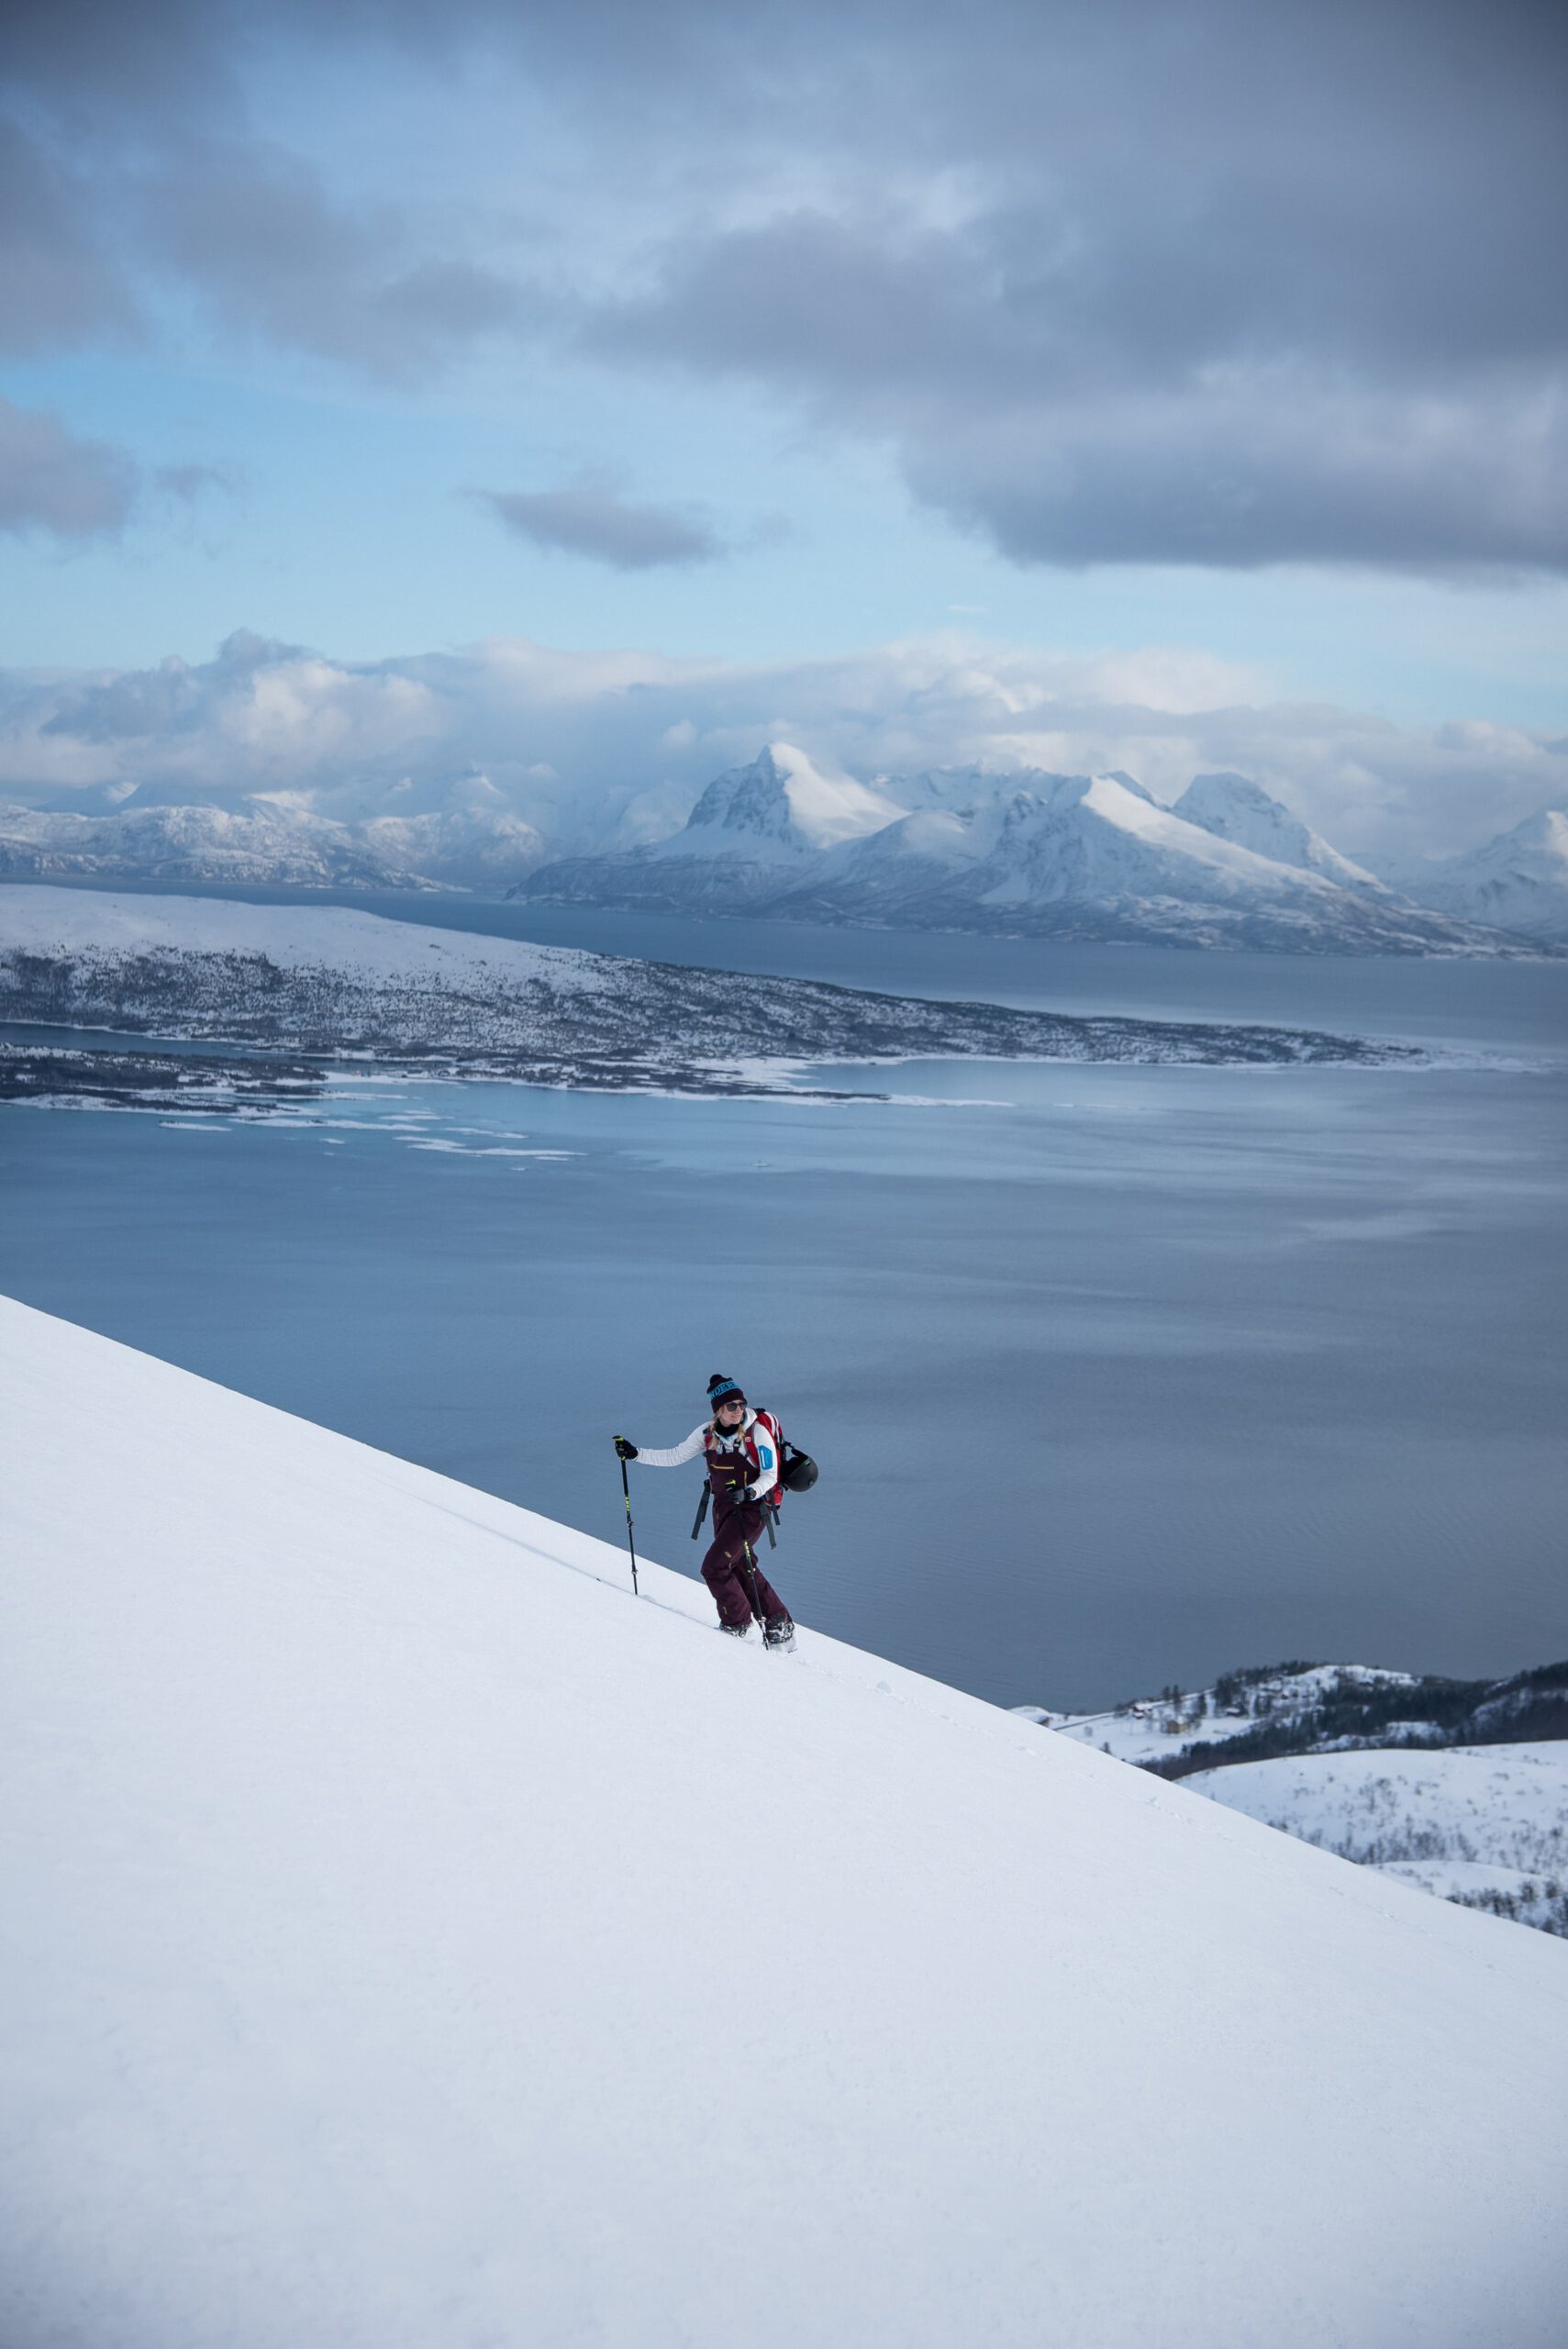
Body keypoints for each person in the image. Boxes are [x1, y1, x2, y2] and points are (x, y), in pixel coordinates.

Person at [615, 1374, 795, 1648]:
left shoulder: (756, 1433)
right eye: (731, 1406)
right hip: (723, 1508)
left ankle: (738, 1624)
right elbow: (675, 1456)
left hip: (752, 1509)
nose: (738, 1411)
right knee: (740, 1564)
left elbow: (770, 1475)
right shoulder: (707, 1434)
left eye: (741, 1404)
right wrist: (635, 1453)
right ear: (718, 1409)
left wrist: (750, 1492)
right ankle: (778, 1624)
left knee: (714, 1567)